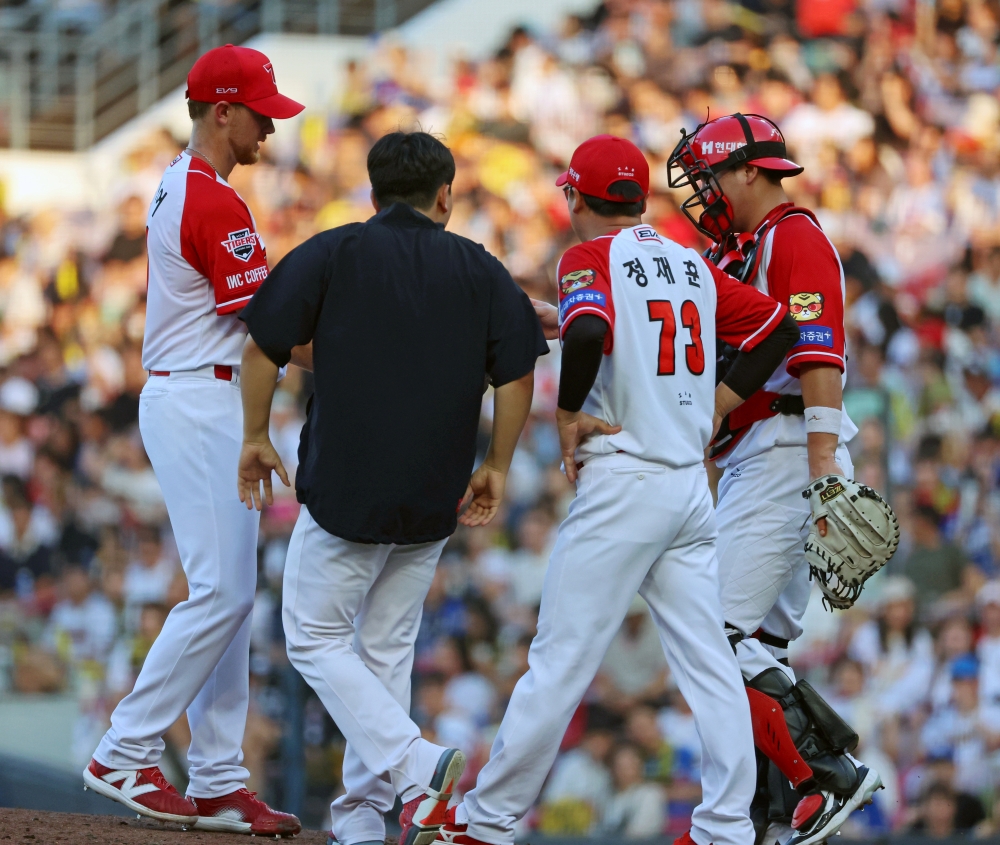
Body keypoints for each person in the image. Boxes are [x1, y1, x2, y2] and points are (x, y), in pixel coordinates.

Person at [434, 134, 799, 845]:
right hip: (688, 487)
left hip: (625, 482)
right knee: (710, 661)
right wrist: (719, 401)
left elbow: (597, 326)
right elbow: (777, 326)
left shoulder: (589, 257)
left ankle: (487, 821)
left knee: (561, 658)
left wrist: (568, 409)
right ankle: (726, 826)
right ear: (637, 198)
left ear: (575, 196)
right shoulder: (690, 262)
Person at [236, 130, 548, 845]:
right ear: (445, 196)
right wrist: (497, 463)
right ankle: (359, 818)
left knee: (312, 635)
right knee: (384, 650)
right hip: (433, 492)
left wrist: (256, 434)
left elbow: (263, 344)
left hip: (346, 487)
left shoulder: (335, 250)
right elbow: (518, 369)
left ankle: (411, 763)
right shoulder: (477, 264)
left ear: (373, 195)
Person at [83, 44, 304, 836]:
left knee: (233, 603)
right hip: (197, 397)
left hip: (204, 394)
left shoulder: (191, 187)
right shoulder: (209, 199)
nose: (269, 131)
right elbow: (278, 330)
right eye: (260, 114)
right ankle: (127, 745)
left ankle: (215, 775)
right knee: (222, 593)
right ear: (221, 111)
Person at [666, 113, 884, 845]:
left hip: (790, 446)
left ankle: (826, 774)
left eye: (712, 175)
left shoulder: (793, 235)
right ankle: (770, 817)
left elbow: (819, 354)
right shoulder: (742, 246)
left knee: (712, 631)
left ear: (751, 171)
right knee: (757, 645)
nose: (703, 192)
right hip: (758, 455)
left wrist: (823, 466)